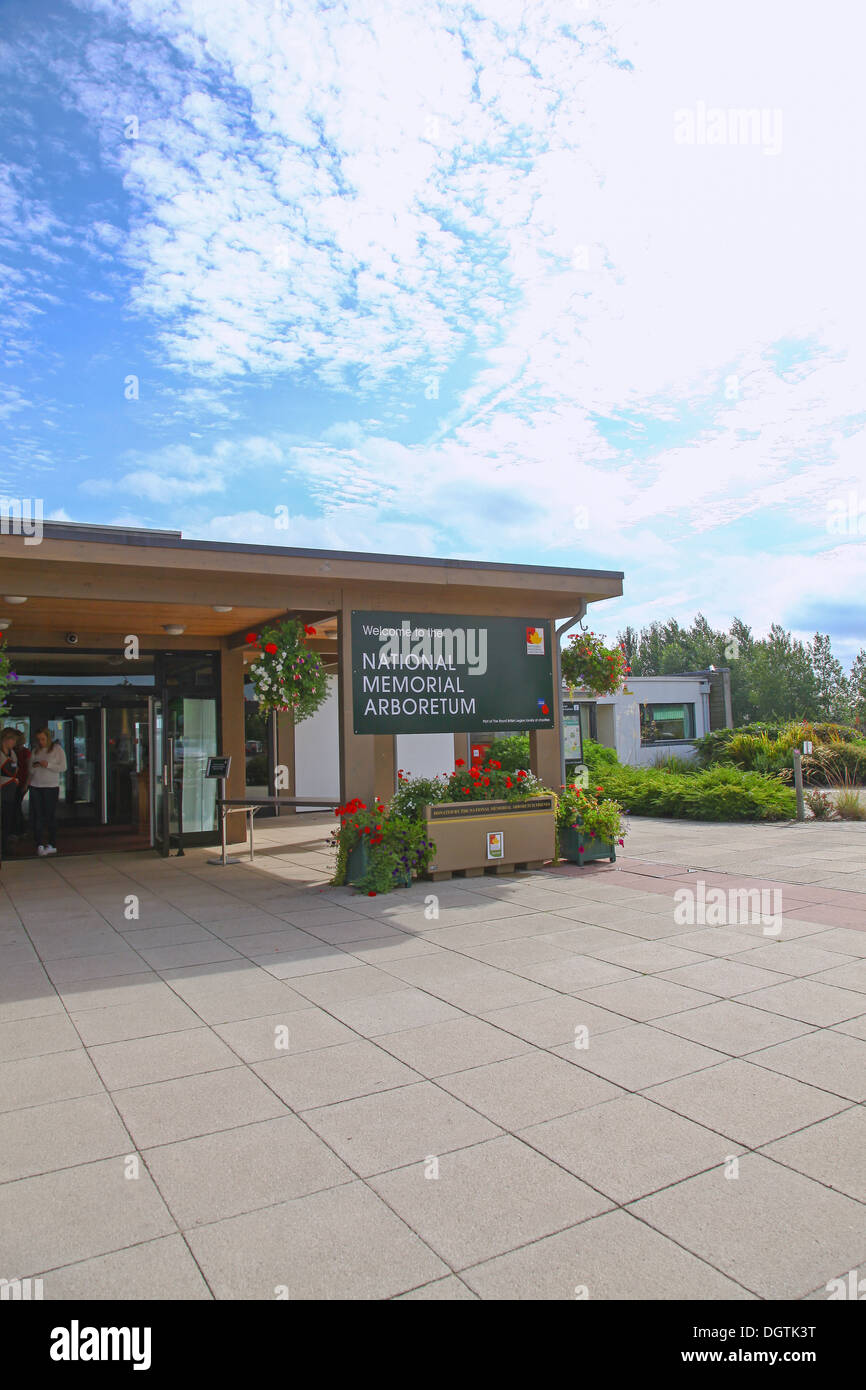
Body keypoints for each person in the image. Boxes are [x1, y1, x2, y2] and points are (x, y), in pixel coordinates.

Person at [28, 727, 67, 857]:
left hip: (51, 786)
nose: (41, 742)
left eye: (43, 739)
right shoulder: (35, 750)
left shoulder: (57, 749)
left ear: (48, 738)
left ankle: (52, 844)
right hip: (36, 785)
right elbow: (31, 770)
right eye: (38, 739)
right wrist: (35, 766)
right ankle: (39, 844)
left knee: (50, 815)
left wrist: (48, 765)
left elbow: (63, 767)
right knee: (37, 816)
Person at [0, 728, 19, 860]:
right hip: (2, 787)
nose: (14, 743)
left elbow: (15, 769)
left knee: (7, 819)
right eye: (13, 740)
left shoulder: (12, 753)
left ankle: (5, 846)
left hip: (10, 790)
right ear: (6, 739)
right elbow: (11, 770)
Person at [12, 728, 30, 837]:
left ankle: (19, 829)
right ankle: (20, 829)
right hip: (15, 782)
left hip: (22, 782)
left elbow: (29, 770)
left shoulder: (25, 752)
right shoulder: (13, 752)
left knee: (16, 805)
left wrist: (26, 784)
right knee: (16, 806)